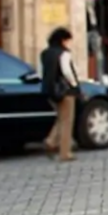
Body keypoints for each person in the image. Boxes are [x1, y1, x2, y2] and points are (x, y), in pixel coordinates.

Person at [41, 27, 81, 162]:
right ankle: (65, 152)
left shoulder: (46, 53)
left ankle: (51, 141)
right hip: (65, 91)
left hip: (51, 91)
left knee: (61, 118)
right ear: (62, 40)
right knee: (67, 121)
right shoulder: (64, 53)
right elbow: (67, 71)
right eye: (67, 40)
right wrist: (74, 84)